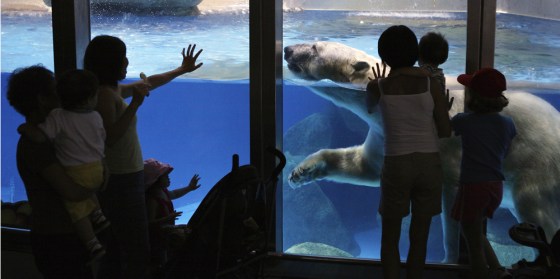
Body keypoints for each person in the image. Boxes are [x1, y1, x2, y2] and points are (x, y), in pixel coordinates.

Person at [83, 35, 203, 279]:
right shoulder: (104, 95)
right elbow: (110, 138)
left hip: (128, 177)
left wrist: (181, 69)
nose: (127, 61)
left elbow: (151, 82)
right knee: (136, 248)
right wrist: (135, 104)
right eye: (122, 57)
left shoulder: (112, 89)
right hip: (119, 181)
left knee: (119, 246)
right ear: (110, 62)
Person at [366, 25, 451, 279]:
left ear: (383, 56)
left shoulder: (377, 87)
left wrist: (377, 82)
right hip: (428, 165)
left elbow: (370, 108)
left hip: (397, 165)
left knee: (389, 238)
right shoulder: (431, 84)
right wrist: (441, 110)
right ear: (415, 53)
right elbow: (445, 131)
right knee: (419, 237)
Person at [6, 65, 97, 279]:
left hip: (63, 237)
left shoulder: (51, 135)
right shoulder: (34, 144)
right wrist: (98, 182)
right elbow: (71, 192)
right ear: (42, 99)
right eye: (56, 89)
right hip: (58, 240)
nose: (63, 93)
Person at [451, 68, 516, 279]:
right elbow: (505, 151)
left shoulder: (464, 121)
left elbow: (443, 130)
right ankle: (498, 270)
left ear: (473, 96)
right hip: (495, 186)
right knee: (474, 232)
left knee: (472, 241)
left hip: (473, 186)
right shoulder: (508, 124)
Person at [143, 158, 201, 276]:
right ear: (155, 180)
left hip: (166, 234)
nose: (168, 177)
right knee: (163, 263)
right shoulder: (152, 199)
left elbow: (174, 194)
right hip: (159, 239)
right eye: (165, 175)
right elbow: (149, 223)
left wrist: (189, 188)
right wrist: (168, 219)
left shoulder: (162, 191)